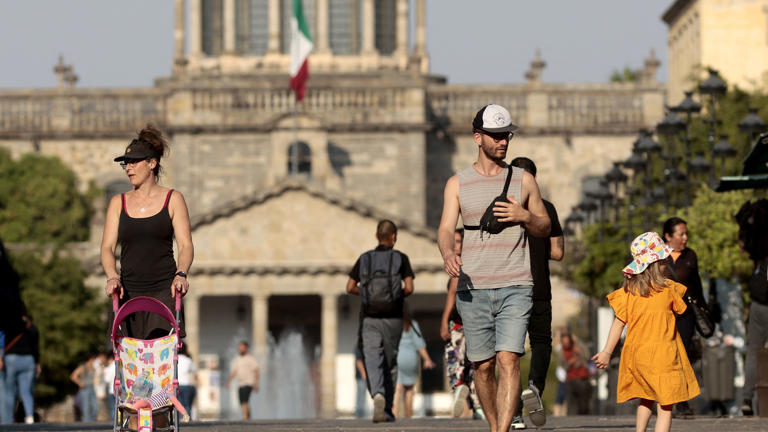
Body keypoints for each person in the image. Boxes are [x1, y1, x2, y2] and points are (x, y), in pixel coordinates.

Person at [437, 104, 550, 432]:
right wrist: (447, 253)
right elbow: (446, 227)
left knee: (509, 359)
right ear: (478, 137)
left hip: (516, 283)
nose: (503, 141)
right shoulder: (457, 183)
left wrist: (525, 217)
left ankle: (501, 431)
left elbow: (544, 225)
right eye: (496, 136)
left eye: (507, 135)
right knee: (483, 366)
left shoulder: (523, 180)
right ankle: (494, 425)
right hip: (473, 289)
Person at [592, 232, 700, 432]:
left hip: (639, 355)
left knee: (647, 398)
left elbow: (618, 323)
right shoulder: (669, 290)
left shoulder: (629, 292)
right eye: (664, 261)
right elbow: (681, 311)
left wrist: (607, 352)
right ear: (656, 265)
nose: (667, 264)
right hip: (665, 355)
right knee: (666, 405)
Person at [101, 125, 194, 339]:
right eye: (126, 163)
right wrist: (112, 277)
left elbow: (186, 244)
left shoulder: (173, 199)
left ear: (152, 163)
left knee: (159, 364)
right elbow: (107, 247)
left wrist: (181, 273)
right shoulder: (118, 202)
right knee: (130, 362)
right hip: (128, 292)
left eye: (134, 162)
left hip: (164, 290)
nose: (128, 168)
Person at [509, 157, 564, 429]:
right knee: (541, 342)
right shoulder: (549, 209)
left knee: (510, 351)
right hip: (539, 286)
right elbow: (558, 252)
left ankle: (515, 416)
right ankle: (535, 388)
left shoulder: (502, 209)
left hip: (510, 287)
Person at [346, 220, 415, 423]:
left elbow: (350, 287)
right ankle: (387, 410)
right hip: (393, 318)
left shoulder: (364, 259)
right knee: (390, 363)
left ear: (377, 236)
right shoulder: (401, 258)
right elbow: (409, 288)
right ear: (393, 237)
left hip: (370, 318)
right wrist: (394, 296)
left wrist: (367, 293)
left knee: (372, 360)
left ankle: (377, 394)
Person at [662, 217, 705, 418]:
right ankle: (663, 397)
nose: (685, 238)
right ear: (668, 236)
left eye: (686, 233)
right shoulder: (658, 256)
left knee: (683, 355)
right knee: (665, 356)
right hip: (663, 314)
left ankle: (681, 401)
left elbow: (696, 284)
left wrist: (703, 309)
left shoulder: (690, 256)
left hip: (685, 314)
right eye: (681, 234)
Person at [440, 228, 482, 419]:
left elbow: (451, 293)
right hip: (475, 319)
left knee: (456, 360)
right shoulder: (475, 261)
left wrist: (444, 320)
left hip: (459, 321)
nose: (455, 245)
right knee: (475, 363)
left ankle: (459, 389)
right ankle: (477, 406)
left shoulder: (457, 263)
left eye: (458, 241)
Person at [735, 199, 768, 416]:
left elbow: (743, 246)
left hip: (758, 302)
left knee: (754, 349)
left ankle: (747, 397)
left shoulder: (756, 236)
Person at [393, 305, 435, 418]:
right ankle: (408, 416)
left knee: (397, 388)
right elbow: (419, 344)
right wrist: (427, 359)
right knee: (409, 388)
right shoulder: (412, 324)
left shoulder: (392, 324)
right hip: (411, 359)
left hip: (397, 358)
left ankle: (394, 415)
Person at [3, 314, 39, 425]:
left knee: (9, 391)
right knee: (26, 391)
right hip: (29, 360)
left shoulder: (10, 326)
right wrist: (37, 362)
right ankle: (29, 416)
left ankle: (8, 417)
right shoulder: (32, 328)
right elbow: (36, 347)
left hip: (11, 358)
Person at [557, 331, 592, 415]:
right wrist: (571, 362)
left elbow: (587, 356)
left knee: (584, 404)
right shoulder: (561, 352)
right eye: (564, 342)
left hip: (582, 378)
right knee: (572, 404)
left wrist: (579, 348)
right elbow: (563, 366)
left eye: (568, 342)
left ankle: (585, 418)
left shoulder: (577, 347)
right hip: (570, 379)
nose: (566, 344)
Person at [226, 341, 259, 420]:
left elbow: (256, 370)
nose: (240, 349)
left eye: (242, 347)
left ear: (246, 348)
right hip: (241, 383)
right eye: (239, 347)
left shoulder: (250, 358)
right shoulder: (238, 359)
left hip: (249, 382)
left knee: (245, 400)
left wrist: (256, 383)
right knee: (243, 402)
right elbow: (235, 371)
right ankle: (248, 417)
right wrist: (229, 381)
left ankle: (245, 417)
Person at [70, 353, 99, 422]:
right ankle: (87, 422)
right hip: (85, 388)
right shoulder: (82, 367)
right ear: (90, 359)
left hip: (92, 388)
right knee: (85, 407)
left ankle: (92, 421)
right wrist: (80, 383)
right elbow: (73, 376)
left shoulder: (93, 368)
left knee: (95, 407)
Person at [177, 344, 197, 421]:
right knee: (187, 404)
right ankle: (187, 420)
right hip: (187, 385)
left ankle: (179, 420)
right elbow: (194, 372)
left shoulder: (174, 359)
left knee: (179, 404)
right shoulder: (188, 360)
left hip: (177, 385)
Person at [354, 345, 367, 418]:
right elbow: (358, 361)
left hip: (370, 376)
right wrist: (363, 373)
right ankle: (359, 416)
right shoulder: (359, 347)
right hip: (361, 377)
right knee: (361, 397)